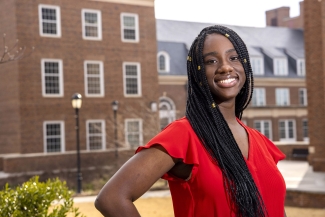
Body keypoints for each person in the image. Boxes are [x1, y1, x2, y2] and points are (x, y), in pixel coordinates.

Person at [95, 25, 287, 217]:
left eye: (234, 58)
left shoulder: (261, 142)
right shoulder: (184, 135)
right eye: (211, 61)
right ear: (198, 73)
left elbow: (276, 207)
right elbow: (112, 198)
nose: (225, 67)